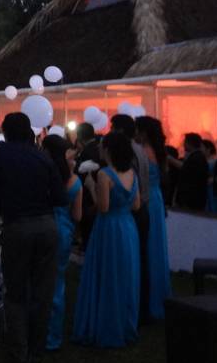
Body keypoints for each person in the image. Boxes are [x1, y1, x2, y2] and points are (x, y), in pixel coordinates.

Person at [0, 113, 66, 363]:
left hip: (17, 227)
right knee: (43, 292)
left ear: (6, 132)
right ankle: (37, 351)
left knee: (16, 292)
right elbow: (60, 197)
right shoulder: (42, 156)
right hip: (47, 226)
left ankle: (19, 352)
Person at [73, 132, 141, 348]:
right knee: (125, 274)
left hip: (109, 228)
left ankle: (105, 324)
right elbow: (137, 205)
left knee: (107, 273)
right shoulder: (132, 172)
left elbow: (102, 208)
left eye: (103, 146)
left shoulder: (105, 174)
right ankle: (125, 322)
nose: (100, 148)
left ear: (109, 149)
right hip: (128, 227)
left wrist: (92, 187)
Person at [42, 134, 82, 351]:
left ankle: (38, 331)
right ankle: (54, 336)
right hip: (64, 232)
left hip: (45, 228)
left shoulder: (44, 175)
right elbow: (78, 216)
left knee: (39, 281)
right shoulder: (74, 181)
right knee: (58, 284)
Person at [110, 113, 151, 323]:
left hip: (131, 212)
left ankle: (132, 308)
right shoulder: (140, 149)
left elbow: (129, 186)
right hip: (142, 209)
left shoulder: (127, 152)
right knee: (140, 260)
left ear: (118, 130)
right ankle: (140, 307)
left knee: (131, 262)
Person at [134, 116, 171, 320]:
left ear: (144, 132)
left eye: (138, 130)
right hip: (157, 198)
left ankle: (149, 299)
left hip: (148, 198)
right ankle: (158, 295)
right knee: (156, 245)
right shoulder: (159, 151)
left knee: (148, 245)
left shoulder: (143, 152)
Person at [73, 122, 100, 251]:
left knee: (87, 223)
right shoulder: (97, 146)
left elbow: (82, 172)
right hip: (95, 191)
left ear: (80, 136)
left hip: (88, 192)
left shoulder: (88, 151)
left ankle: (86, 245)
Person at [175, 133, 208, 211]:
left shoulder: (196, 158)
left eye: (185, 142)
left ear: (189, 143)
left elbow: (185, 169)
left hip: (191, 201)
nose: (183, 144)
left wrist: (170, 159)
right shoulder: (198, 157)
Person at [202, 139, 217, 214]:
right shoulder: (205, 161)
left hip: (213, 190)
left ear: (208, 149)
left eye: (202, 147)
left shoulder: (215, 162)